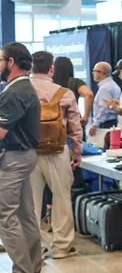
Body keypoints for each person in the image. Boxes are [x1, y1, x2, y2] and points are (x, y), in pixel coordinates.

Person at [29, 51, 83, 260]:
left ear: (31, 67)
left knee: (31, 202)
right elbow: (75, 128)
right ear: (51, 68)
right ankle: (62, 246)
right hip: (57, 151)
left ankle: (35, 248)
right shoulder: (65, 93)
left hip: (29, 152)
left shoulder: (22, 90)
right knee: (61, 198)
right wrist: (76, 153)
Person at [0, 43, 42, 273]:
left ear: (11, 62)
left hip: (14, 158)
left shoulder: (15, 92)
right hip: (23, 156)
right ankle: (32, 271)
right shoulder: (22, 88)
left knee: (5, 215)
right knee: (25, 214)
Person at [53, 56, 93, 130]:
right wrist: (86, 116)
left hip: (55, 121)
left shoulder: (50, 83)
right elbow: (89, 94)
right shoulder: (76, 82)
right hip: (74, 121)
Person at [87, 61, 120, 146]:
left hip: (105, 124)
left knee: (102, 146)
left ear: (102, 73)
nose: (93, 73)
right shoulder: (113, 85)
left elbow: (104, 108)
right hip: (111, 122)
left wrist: (95, 125)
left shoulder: (105, 88)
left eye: (94, 71)